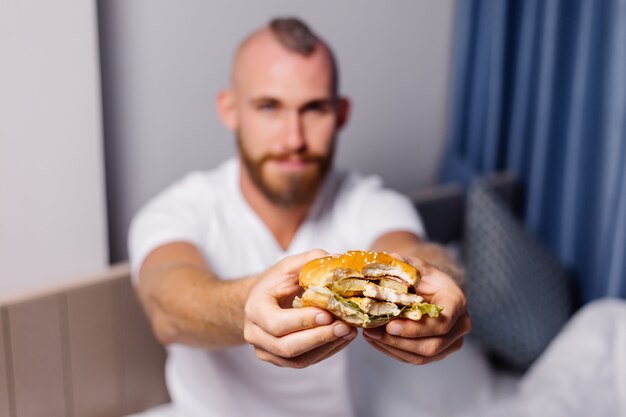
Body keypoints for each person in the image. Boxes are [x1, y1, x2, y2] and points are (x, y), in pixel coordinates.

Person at [129, 17, 472, 417]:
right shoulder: (178, 210)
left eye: (314, 108)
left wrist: (443, 284)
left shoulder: (370, 201)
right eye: (269, 107)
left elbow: (414, 254)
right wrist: (246, 304)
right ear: (230, 110)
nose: (293, 138)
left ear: (341, 114)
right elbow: (168, 304)